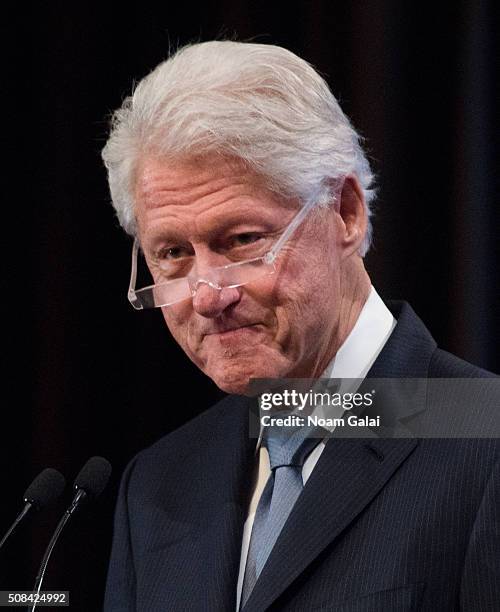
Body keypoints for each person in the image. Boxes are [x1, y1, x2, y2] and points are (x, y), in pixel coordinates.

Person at [102, 41, 499, 611]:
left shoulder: (487, 442)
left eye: (242, 240)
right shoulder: (159, 484)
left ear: (345, 212)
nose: (208, 296)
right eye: (172, 254)